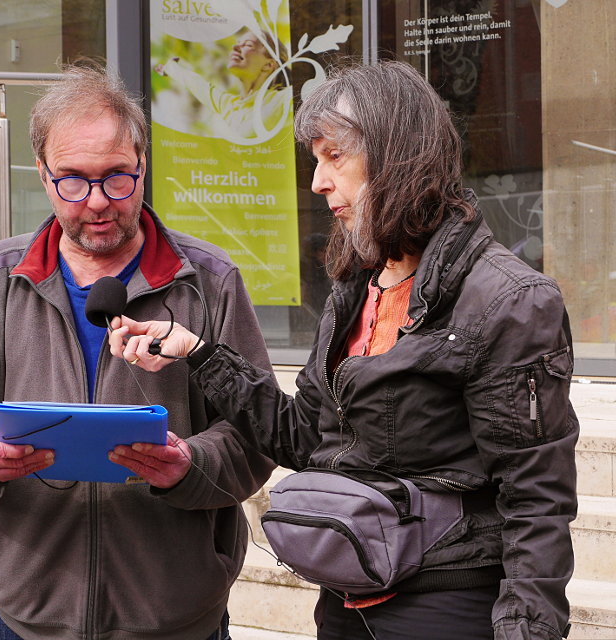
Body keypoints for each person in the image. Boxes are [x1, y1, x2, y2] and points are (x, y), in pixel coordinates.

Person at [107, 61, 579, 640]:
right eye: (315, 160)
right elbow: (304, 437)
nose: (317, 183)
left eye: (335, 157)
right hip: (346, 599)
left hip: (445, 606)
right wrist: (200, 354)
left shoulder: (508, 300)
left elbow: (534, 500)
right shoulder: (359, 285)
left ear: (397, 155)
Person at [0, 61, 276, 640]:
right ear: (41, 173)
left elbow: (258, 432)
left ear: (142, 166)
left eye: (117, 177)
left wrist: (191, 463)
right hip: (26, 609)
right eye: (73, 180)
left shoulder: (209, 281)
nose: (98, 201)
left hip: (174, 614)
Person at [154, 30, 290, 142]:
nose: (235, 47)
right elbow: (199, 86)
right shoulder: (229, 105)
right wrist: (171, 68)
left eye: (248, 45)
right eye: (238, 43)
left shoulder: (284, 99)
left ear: (269, 65)